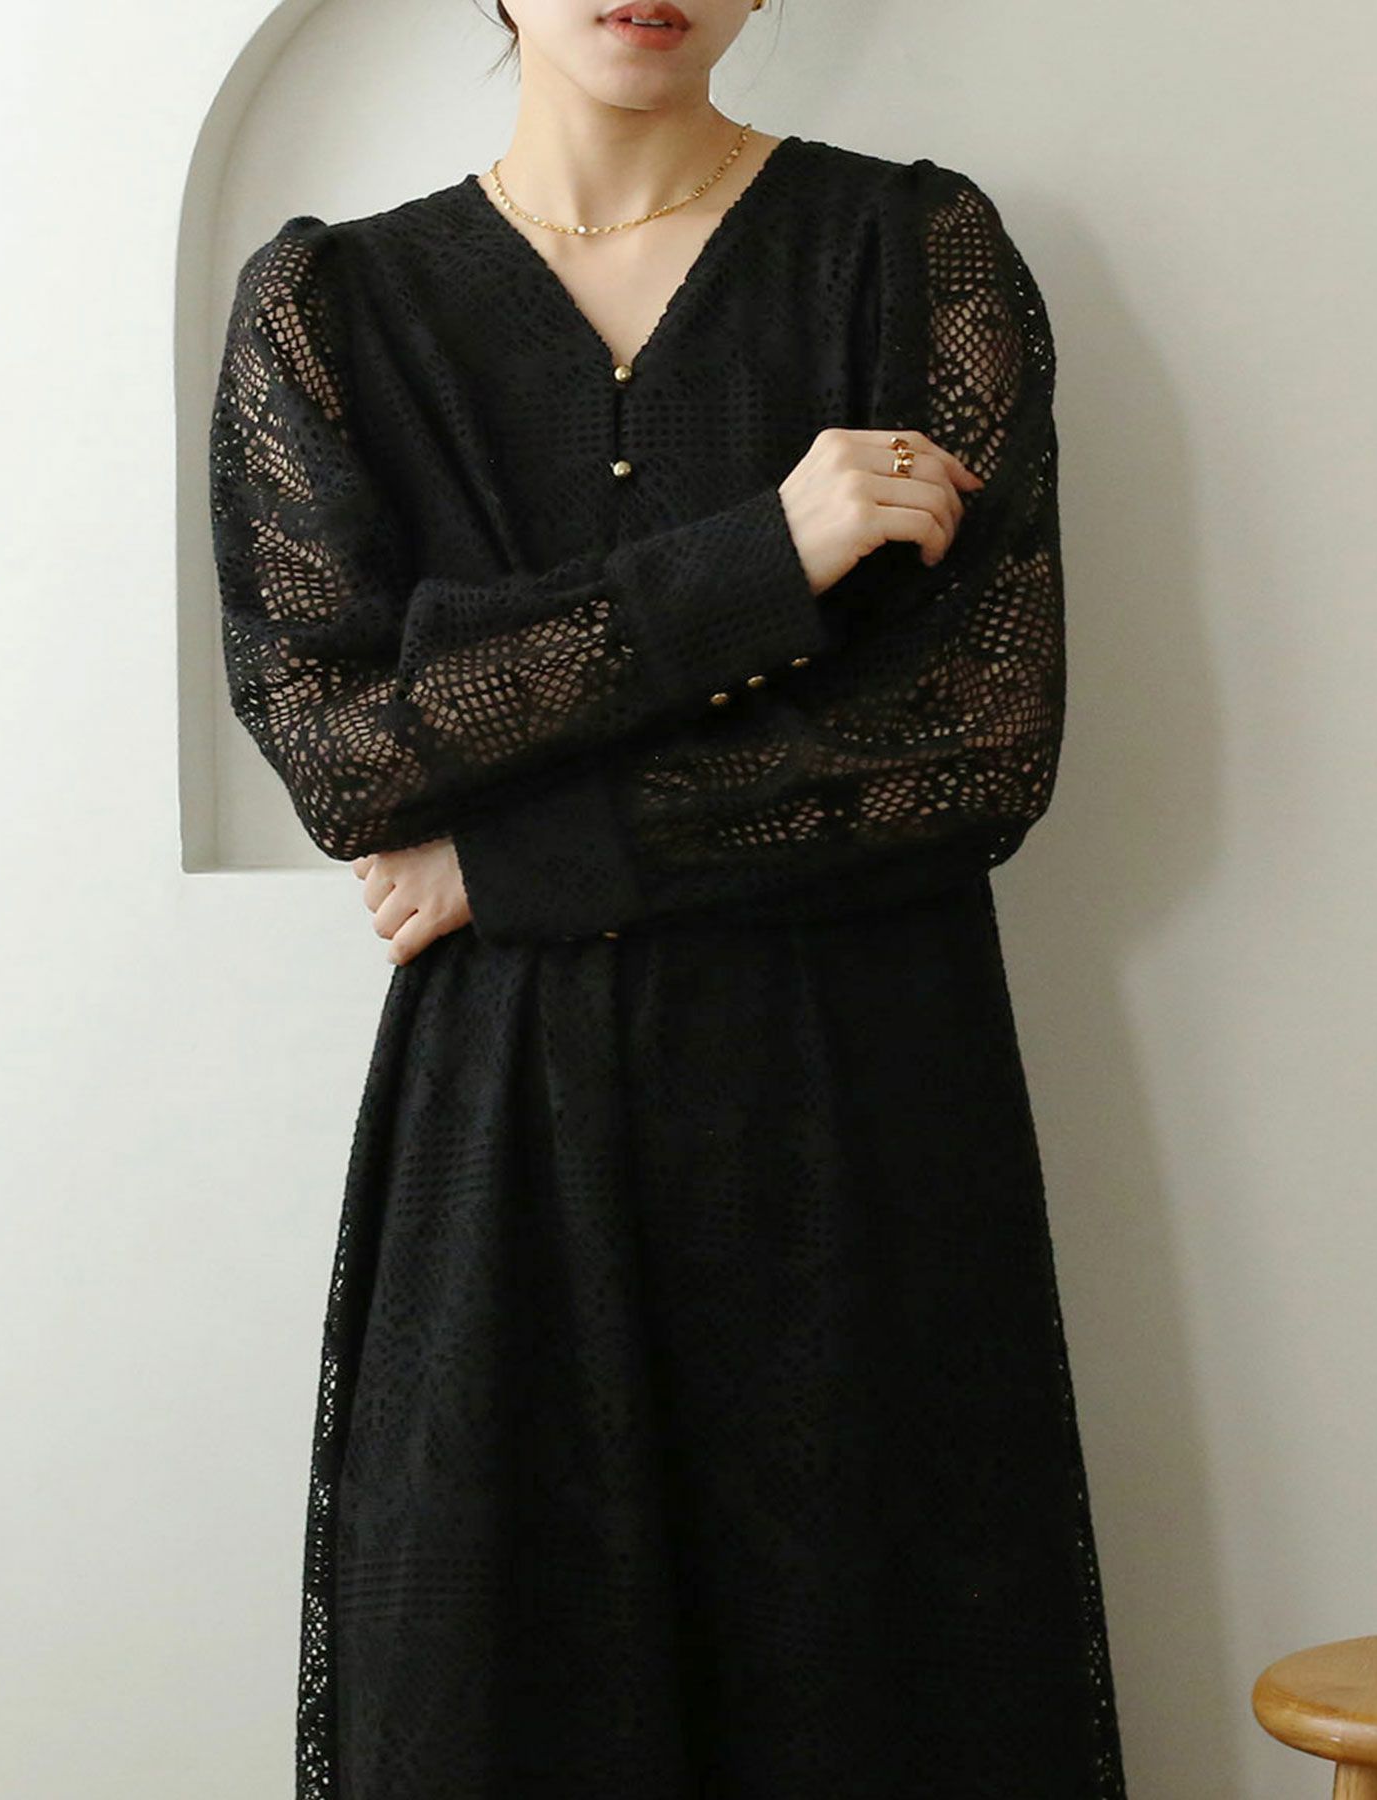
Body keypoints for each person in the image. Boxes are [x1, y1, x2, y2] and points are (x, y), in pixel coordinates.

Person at [207, 2, 1131, 1793]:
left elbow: (976, 740)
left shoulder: (914, 251)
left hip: (863, 1109)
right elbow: (344, 753)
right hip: (507, 1131)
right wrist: (766, 559)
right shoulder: (330, 308)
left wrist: (513, 853)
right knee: (491, 1695)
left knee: (882, 1692)